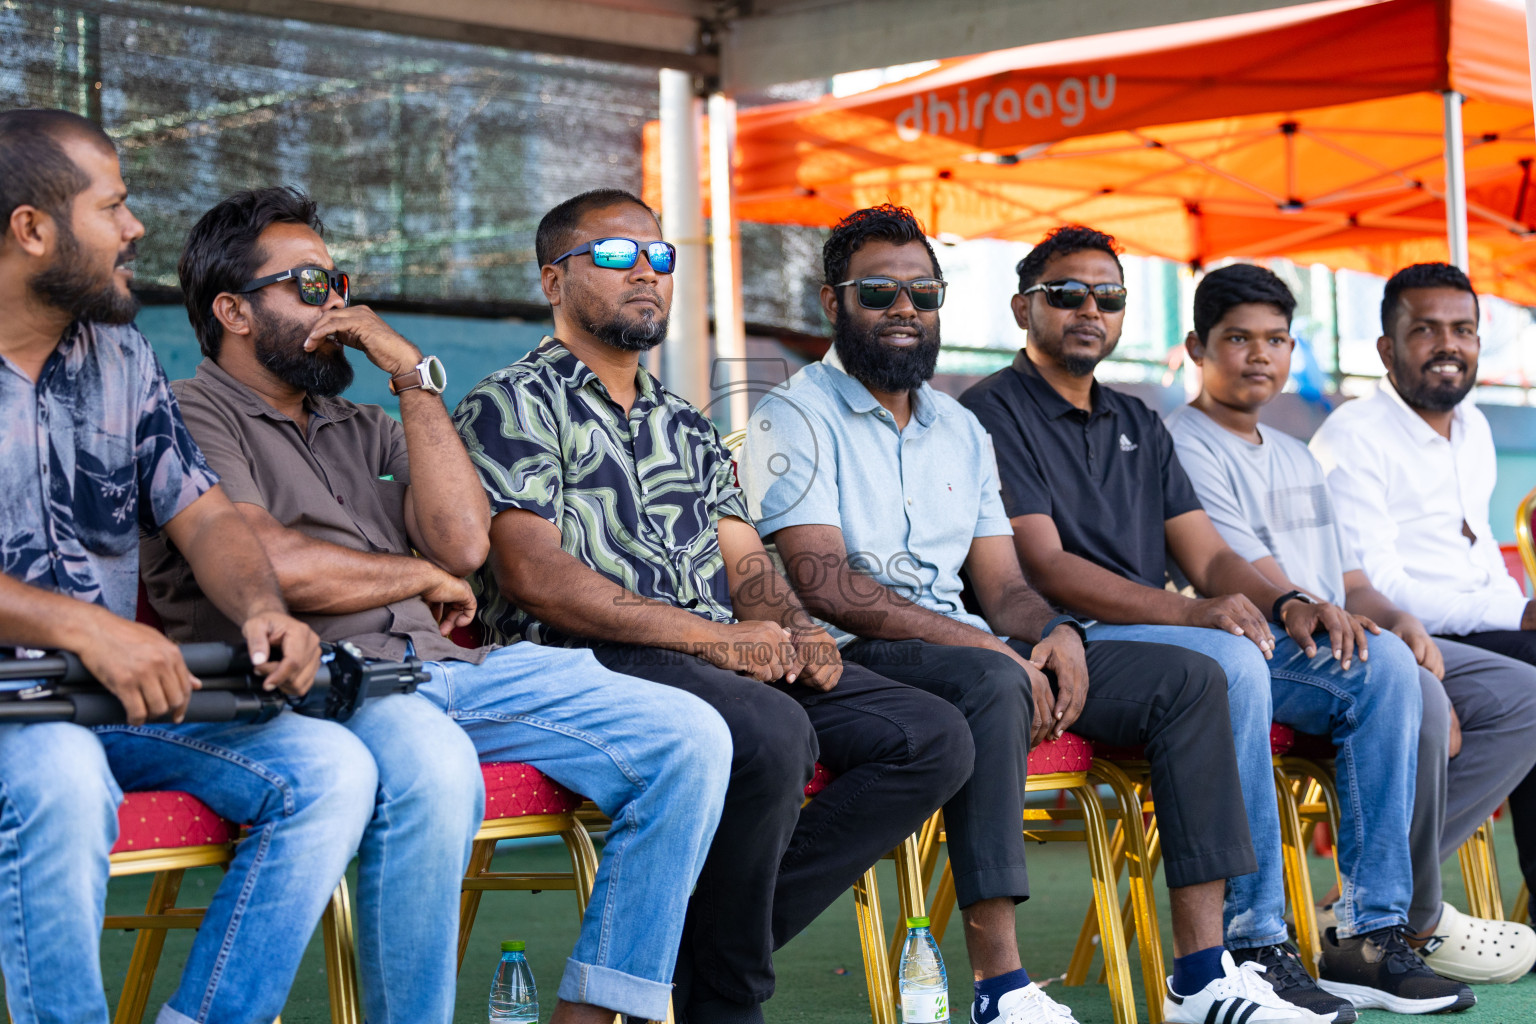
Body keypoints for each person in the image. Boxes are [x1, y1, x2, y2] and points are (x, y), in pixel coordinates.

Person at [142, 185, 732, 1024]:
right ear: (234, 311)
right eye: (310, 287)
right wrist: (410, 579)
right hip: (313, 685)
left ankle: (596, 1013)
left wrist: (412, 378)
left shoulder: (367, 425)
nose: (337, 302)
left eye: (337, 281)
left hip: (450, 670)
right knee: (436, 765)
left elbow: (461, 546)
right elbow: (266, 563)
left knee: (689, 736)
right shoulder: (186, 410)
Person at [741, 205, 1311, 1024]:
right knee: (988, 680)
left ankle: (1201, 974)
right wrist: (997, 646)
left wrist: (1054, 633)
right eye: (880, 293)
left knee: (1192, 678)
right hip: (855, 657)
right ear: (834, 303)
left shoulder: (960, 428)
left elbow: (1006, 586)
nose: (906, 310)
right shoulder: (791, 415)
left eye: (923, 293)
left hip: (962, 646)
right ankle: (1000, 990)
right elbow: (830, 587)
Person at [454, 189, 973, 1024]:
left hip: (709, 656)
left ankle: (695, 949)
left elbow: (744, 562)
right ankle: (726, 1002)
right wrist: (716, 639)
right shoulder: (509, 403)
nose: (647, 274)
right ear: (554, 282)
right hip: (588, 658)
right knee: (771, 732)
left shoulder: (684, 423)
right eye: (617, 256)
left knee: (932, 736)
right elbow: (535, 578)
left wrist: (797, 629)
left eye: (659, 258)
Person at [960, 225, 1474, 1018]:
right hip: (1071, 646)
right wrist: (1198, 613)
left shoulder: (1136, 418)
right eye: (1067, 294)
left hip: (1173, 638)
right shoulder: (991, 412)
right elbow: (1045, 567)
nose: (1089, 310)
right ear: (1023, 305)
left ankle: (1369, 934)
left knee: (1381, 666)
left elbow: (1207, 556)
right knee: (1226, 663)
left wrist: (1288, 602)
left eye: (1109, 296)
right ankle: (1254, 941)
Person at [0, 109, 371, 1024]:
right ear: (32, 228)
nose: (135, 231)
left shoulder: (122, 355)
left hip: (107, 704)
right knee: (57, 772)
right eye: (114, 207)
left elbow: (205, 515)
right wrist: (87, 626)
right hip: (22, 721)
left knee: (329, 766)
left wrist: (262, 607)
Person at [1167, 262, 1536, 986]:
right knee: (1414, 690)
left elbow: (1352, 585)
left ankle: (1376, 906)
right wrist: (1405, 660)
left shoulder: (1297, 455)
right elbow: (1251, 578)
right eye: (1238, 339)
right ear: (1196, 348)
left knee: (1524, 696)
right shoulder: (1183, 446)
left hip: (1347, 637)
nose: (1259, 356)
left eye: (1275, 339)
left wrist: (1400, 622)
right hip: (1265, 649)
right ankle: (1398, 922)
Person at [1309, 262, 1536, 920]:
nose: (1448, 345)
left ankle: (1381, 888)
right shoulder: (1353, 439)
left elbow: (1477, 555)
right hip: (1394, 634)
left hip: (1479, 623)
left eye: (1463, 329)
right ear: (1387, 348)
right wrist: (1519, 613)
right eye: (1426, 330)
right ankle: (1372, 893)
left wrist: (1517, 610)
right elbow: (1376, 590)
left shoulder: (1475, 428)